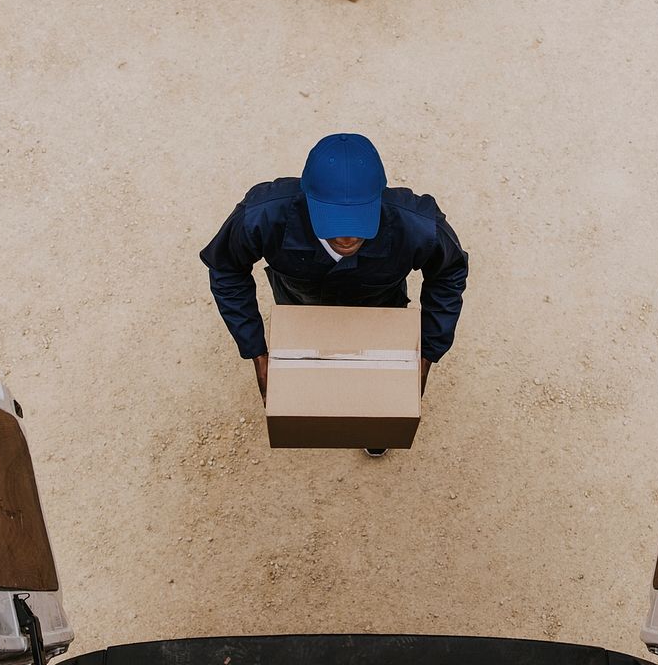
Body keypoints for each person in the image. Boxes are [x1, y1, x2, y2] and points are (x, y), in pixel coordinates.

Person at [200, 133, 468, 450]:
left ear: (379, 198)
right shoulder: (263, 217)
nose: (346, 235)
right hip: (301, 308)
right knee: (310, 390)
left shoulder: (418, 225)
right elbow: (226, 266)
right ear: (307, 198)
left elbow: (449, 272)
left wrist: (426, 355)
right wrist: (256, 351)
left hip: (379, 312)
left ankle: (375, 431)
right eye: (333, 218)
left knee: (376, 402)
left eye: (358, 217)